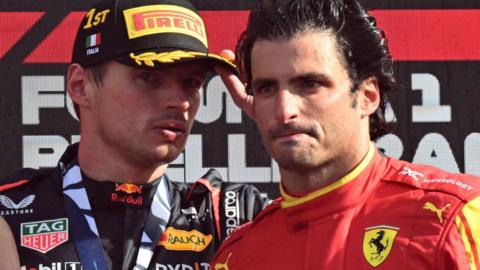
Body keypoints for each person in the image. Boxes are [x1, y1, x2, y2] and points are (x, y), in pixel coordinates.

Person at [211, 0, 480, 269]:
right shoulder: (236, 257)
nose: (284, 111)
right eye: (266, 88)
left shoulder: (454, 219)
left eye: (310, 84)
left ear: (367, 96)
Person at [0, 0, 267, 269]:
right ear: (80, 86)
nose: (180, 101)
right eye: (150, 77)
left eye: (191, 83)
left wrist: (273, 117)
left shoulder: (234, 217)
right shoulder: (9, 213)